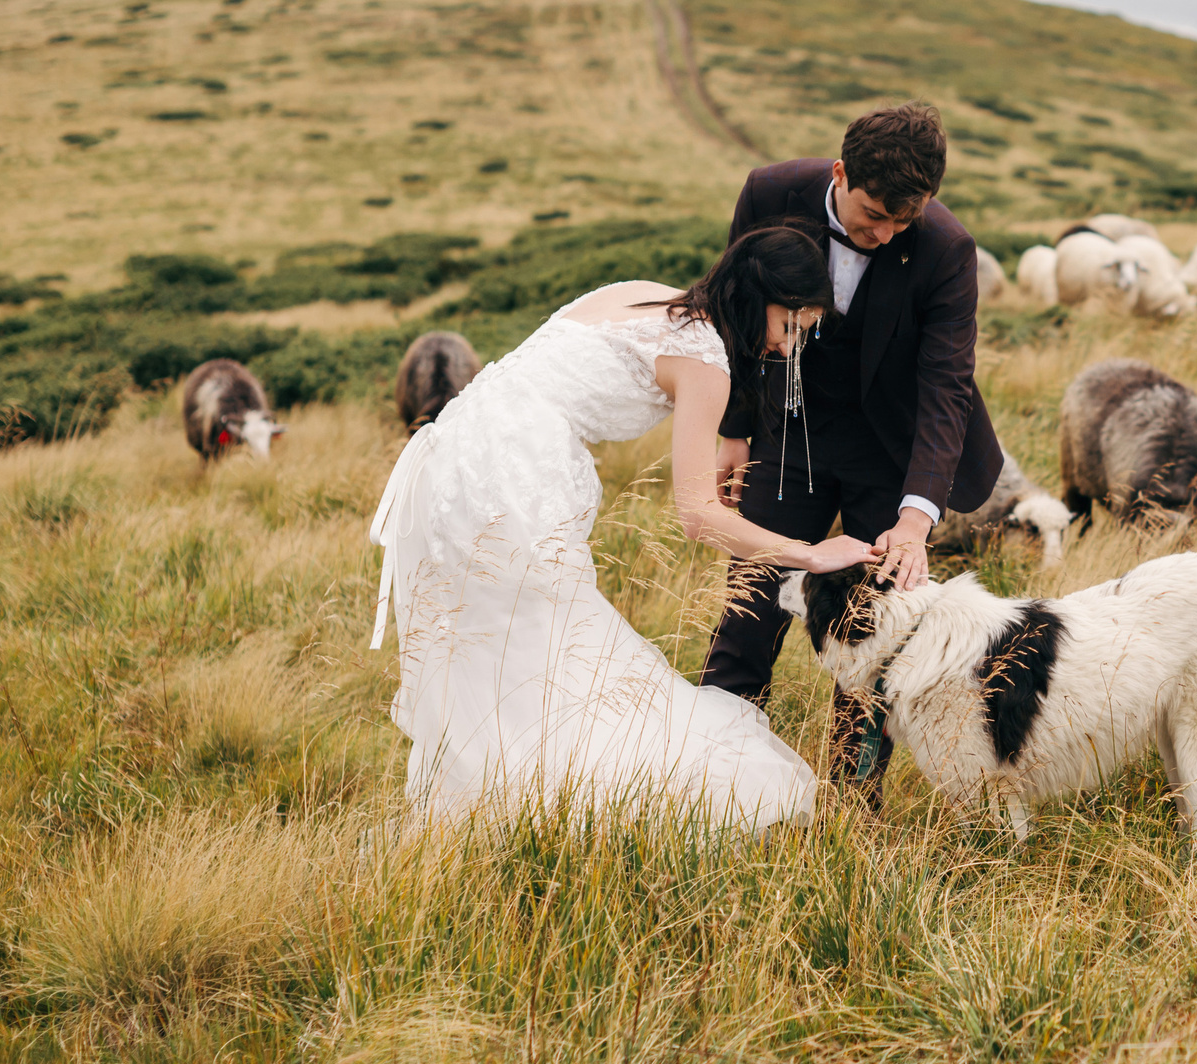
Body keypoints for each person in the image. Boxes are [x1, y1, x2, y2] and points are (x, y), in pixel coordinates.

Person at [367, 224, 873, 828]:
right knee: (546, 648)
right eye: (790, 326)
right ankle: (568, 810)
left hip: (446, 457)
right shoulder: (707, 355)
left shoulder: (642, 294)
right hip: (510, 468)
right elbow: (699, 516)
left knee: (494, 649)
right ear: (757, 295)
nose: (791, 348)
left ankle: (494, 813)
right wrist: (808, 554)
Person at [699, 103, 1003, 804]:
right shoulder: (770, 193)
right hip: (788, 433)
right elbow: (740, 313)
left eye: (904, 221)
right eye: (873, 216)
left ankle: (851, 803)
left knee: (873, 631)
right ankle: (712, 775)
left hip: (888, 452)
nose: (887, 233)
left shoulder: (946, 249)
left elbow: (947, 385)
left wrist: (916, 515)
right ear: (840, 174)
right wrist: (734, 428)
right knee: (751, 606)